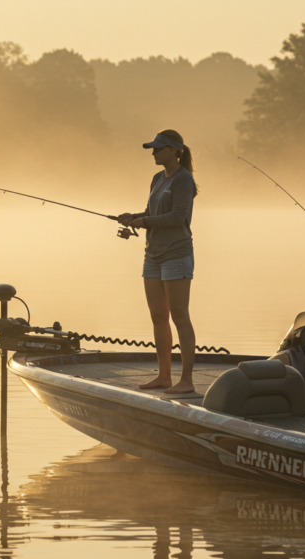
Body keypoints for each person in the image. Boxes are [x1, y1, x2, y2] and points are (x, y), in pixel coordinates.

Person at [118, 130, 198, 393]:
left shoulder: (183, 179)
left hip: (177, 254)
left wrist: (145, 222)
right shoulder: (156, 178)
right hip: (152, 256)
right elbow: (153, 213)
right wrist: (134, 217)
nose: (153, 153)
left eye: (159, 148)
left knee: (180, 317)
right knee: (158, 317)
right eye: (153, 148)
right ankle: (164, 377)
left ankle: (186, 380)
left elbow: (177, 217)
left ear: (174, 151)